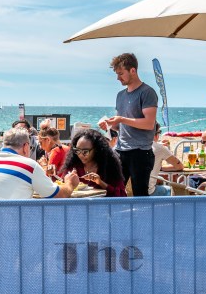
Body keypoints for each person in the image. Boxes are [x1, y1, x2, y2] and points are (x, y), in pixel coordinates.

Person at [99, 53, 158, 197]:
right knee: (112, 193)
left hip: (140, 152)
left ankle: (141, 220)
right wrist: (110, 125)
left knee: (140, 195)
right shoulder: (120, 95)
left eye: (120, 73)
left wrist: (121, 119)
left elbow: (149, 124)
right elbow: (123, 127)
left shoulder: (147, 92)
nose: (118, 78)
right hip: (120, 150)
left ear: (133, 70)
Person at [0, 128, 77, 200]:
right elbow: (59, 196)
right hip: (9, 227)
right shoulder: (28, 166)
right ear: (26, 146)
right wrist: (70, 183)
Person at [60, 129, 126, 197]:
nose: (80, 155)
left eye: (85, 151)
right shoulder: (73, 166)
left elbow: (122, 195)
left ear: (97, 150)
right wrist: (68, 181)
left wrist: (101, 183)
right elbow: (61, 189)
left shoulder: (109, 167)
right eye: (77, 150)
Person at [149, 123, 184, 195]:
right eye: (159, 132)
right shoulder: (159, 148)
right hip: (149, 192)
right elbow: (179, 166)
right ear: (155, 134)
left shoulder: (132, 145)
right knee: (172, 190)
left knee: (159, 179)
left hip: (132, 193)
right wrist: (161, 167)